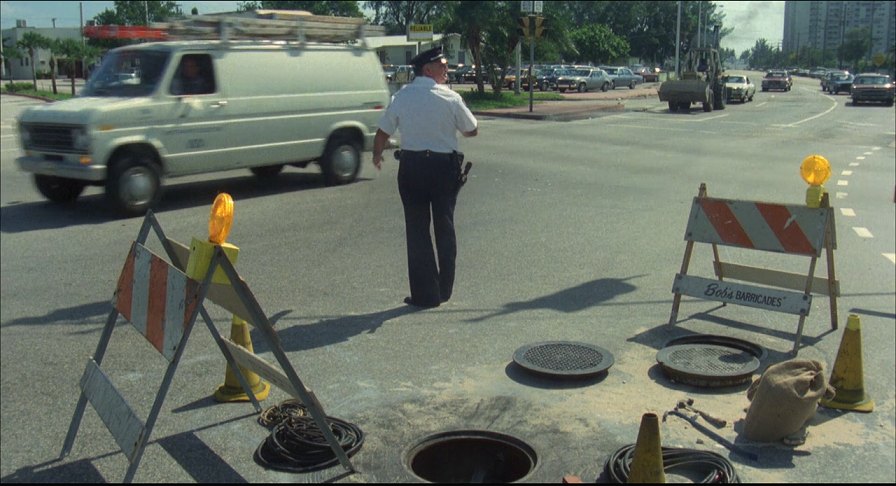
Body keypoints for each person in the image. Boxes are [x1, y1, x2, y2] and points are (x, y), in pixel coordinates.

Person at [372, 46, 479, 308]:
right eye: (443, 65)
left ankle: (425, 294)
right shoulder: (450, 98)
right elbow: (471, 131)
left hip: (412, 167)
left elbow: (383, 132)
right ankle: (444, 289)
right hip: (444, 168)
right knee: (445, 225)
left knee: (417, 230)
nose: (447, 69)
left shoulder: (403, 97)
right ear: (427, 69)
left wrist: (377, 156)